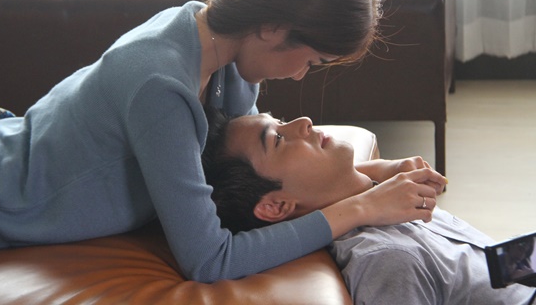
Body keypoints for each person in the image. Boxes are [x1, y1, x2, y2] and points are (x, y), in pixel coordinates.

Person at [0, 0, 440, 283]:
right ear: (272, 28)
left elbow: (239, 175)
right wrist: (361, 208)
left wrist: (373, 173)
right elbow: (210, 259)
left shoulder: (218, 50)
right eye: (311, 61)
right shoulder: (160, 85)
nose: (299, 76)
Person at [200, 108, 536, 304]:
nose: (303, 122)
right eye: (278, 139)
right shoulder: (388, 260)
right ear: (276, 207)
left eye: (281, 121)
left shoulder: (390, 197)